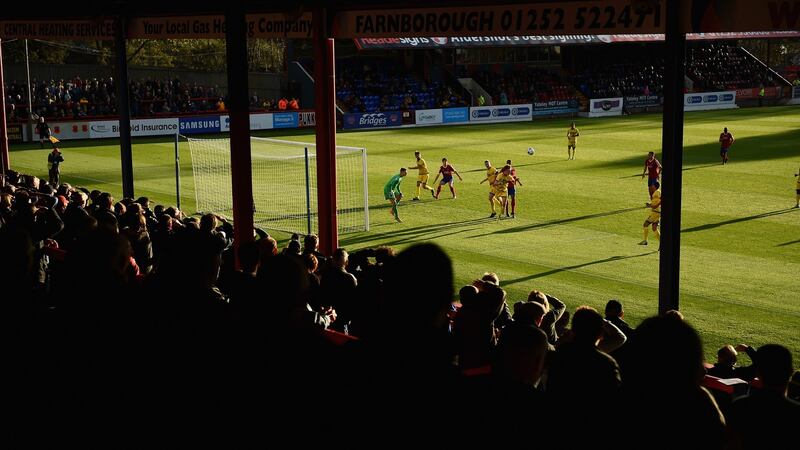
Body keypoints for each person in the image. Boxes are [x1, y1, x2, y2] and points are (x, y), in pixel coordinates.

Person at [639, 181, 661, 246]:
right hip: (656, 212)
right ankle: (662, 243)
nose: (651, 186)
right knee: (654, 228)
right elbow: (655, 201)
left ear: (655, 186)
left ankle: (645, 241)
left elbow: (661, 199)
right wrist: (650, 204)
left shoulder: (658, 192)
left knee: (645, 224)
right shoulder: (655, 193)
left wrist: (655, 206)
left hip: (655, 212)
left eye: (652, 185)